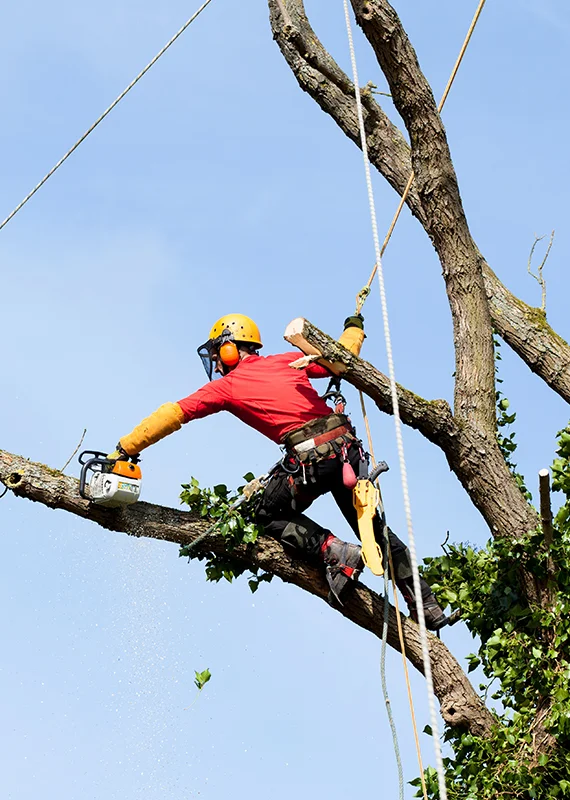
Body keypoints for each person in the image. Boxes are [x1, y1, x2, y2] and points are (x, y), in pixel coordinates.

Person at [110, 313, 452, 629]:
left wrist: (127, 447)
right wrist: (354, 327)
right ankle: (427, 606)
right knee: (375, 531)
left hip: (312, 461)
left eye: (217, 353)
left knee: (261, 513)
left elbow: (174, 413)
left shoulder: (226, 387)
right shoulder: (288, 360)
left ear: (229, 348)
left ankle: (334, 551)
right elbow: (343, 358)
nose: (216, 361)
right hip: (345, 454)